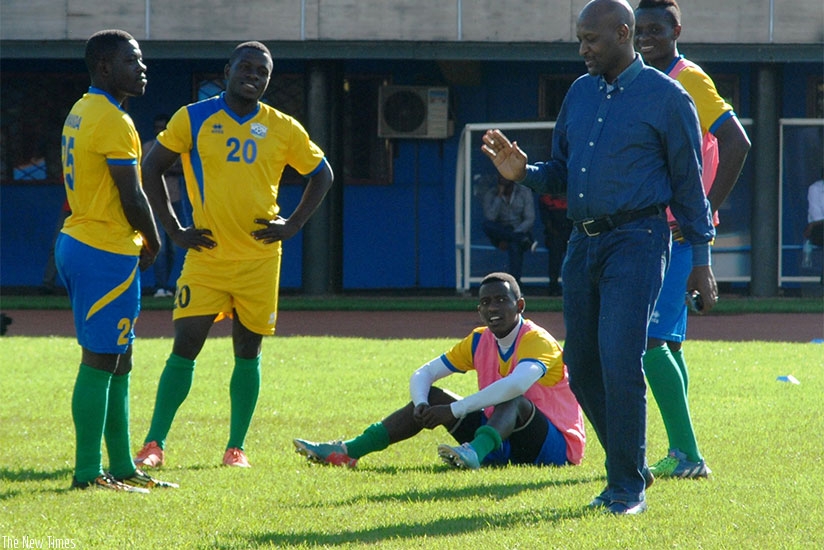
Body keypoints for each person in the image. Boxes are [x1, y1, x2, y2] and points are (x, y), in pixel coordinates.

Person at [481, 0, 718, 515]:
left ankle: (626, 488)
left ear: (624, 33)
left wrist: (700, 259)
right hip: (582, 242)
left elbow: (689, 188)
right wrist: (524, 172)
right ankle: (632, 465)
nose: (583, 48)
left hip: (639, 238)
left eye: (592, 39)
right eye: (580, 39)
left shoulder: (668, 97)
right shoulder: (580, 92)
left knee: (619, 357)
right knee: (583, 365)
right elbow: (562, 171)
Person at [134, 41, 334, 469]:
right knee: (185, 346)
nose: (255, 76)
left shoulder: (283, 127)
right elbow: (151, 167)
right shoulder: (193, 117)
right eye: (247, 67)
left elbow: (322, 174)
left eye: (263, 72)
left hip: (260, 260)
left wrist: (294, 224)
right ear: (227, 71)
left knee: (248, 350)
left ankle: (236, 448)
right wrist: (173, 229)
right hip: (206, 259)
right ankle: (154, 445)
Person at [293, 272, 586, 471]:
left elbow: (516, 386)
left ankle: (474, 453)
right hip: (501, 441)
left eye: (501, 300)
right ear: (479, 310)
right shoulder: (479, 339)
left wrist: (456, 410)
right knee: (433, 396)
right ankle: (349, 451)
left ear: (519, 305)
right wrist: (422, 404)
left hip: (555, 449)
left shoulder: (538, 340)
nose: (493, 307)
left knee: (513, 399)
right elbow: (424, 373)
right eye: (485, 302)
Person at [634, 0, 751, 479]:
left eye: (656, 28)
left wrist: (702, 210)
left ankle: (688, 455)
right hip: (654, 228)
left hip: (680, 232)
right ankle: (682, 451)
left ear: (676, 28)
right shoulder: (641, 80)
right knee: (671, 344)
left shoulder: (689, 78)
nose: (645, 37)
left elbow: (737, 142)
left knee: (648, 339)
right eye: (639, 29)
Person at [56, 29, 175, 492]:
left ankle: (122, 465)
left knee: (120, 358)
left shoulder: (83, 109)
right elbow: (131, 193)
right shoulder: (114, 119)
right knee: (101, 359)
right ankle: (89, 472)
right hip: (103, 250)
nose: (142, 68)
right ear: (105, 67)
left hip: (85, 243)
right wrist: (155, 241)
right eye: (133, 60)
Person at [142, 113, 189, 298]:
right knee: (159, 244)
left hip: (175, 198)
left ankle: (167, 285)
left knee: (173, 247)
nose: (160, 131)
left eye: (163, 127)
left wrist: (163, 168)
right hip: (154, 200)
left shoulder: (176, 146)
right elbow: (145, 170)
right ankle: (159, 286)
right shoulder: (148, 146)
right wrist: (162, 169)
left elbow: (182, 169)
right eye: (157, 128)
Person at [481, 174, 538, 284]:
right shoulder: (491, 194)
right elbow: (490, 217)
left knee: (515, 246)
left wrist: (513, 235)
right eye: (500, 178)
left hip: (519, 230)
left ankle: (515, 284)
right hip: (499, 234)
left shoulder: (523, 192)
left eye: (505, 177)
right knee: (487, 225)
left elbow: (529, 219)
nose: (503, 180)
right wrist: (499, 195)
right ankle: (524, 241)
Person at [538, 194, 573, 296]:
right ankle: (553, 287)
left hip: (572, 233)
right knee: (555, 252)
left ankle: (573, 287)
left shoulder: (574, 196)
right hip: (554, 234)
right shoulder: (546, 199)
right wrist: (554, 232)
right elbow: (546, 220)